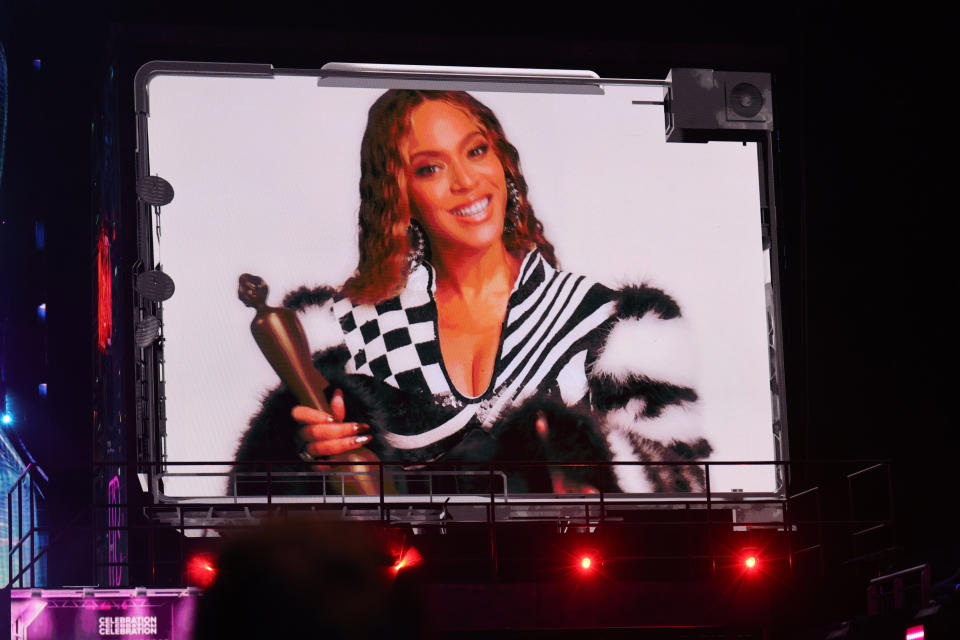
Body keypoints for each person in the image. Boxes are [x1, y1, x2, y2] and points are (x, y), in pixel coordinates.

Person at [232, 90, 710, 495]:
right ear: (399, 196)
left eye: (475, 151)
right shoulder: (342, 331)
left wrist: (577, 455)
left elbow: (685, 489)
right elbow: (255, 510)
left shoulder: (618, 326)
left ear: (503, 162)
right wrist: (303, 455)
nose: (465, 181)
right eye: (430, 169)